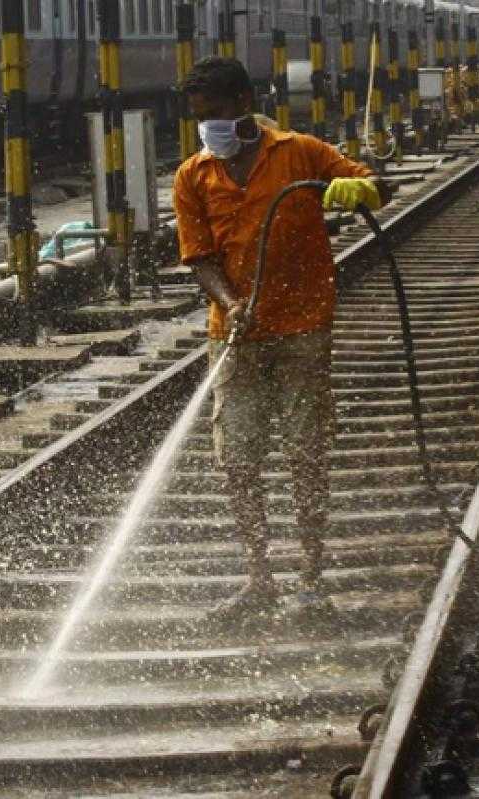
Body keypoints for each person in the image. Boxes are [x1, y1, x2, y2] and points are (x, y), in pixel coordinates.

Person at [172, 57, 391, 625]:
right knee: (237, 460)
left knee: (305, 453)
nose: (208, 127)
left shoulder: (302, 154)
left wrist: (357, 189)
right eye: (200, 118)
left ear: (244, 103)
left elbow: (377, 188)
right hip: (236, 337)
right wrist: (229, 301)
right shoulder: (193, 175)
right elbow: (199, 258)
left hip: (303, 330)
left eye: (216, 114)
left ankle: (313, 579)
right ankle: (259, 578)